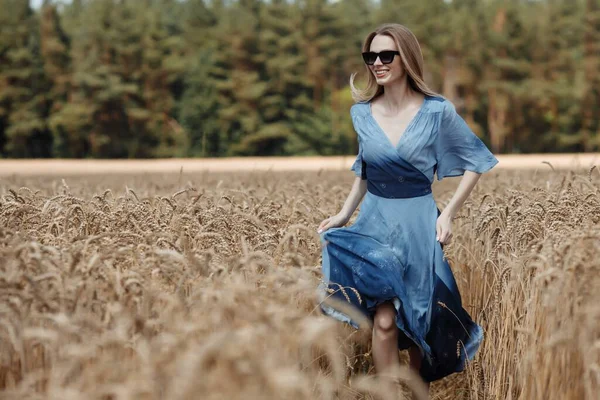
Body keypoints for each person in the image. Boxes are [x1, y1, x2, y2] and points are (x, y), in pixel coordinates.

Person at [316, 23, 498, 395]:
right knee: (383, 321)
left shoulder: (436, 111)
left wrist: (447, 214)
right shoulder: (362, 114)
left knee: (418, 323)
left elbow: (477, 160)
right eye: (371, 57)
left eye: (386, 55)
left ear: (407, 58)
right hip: (375, 222)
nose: (377, 63)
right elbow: (364, 168)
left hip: (418, 223)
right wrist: (344, 214)